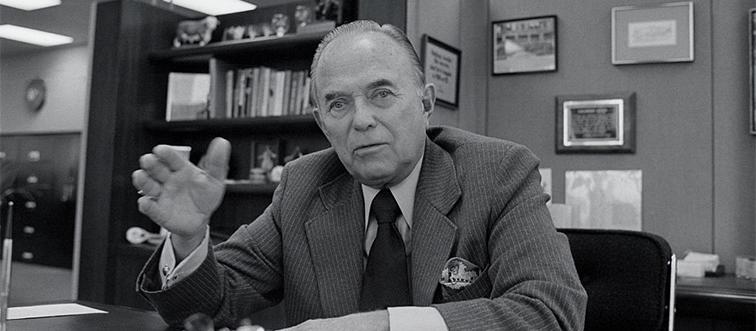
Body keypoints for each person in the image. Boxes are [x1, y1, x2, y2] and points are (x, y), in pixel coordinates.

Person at [132, 20, 587, 330]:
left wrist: (382, 324)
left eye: (381, 94)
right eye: (338, 103)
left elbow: (550, 311)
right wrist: (191, 238)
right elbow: (209, 305)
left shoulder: (499, 172)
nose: (362, 120)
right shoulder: (303, 186)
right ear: (320, 122)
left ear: (426, 103)